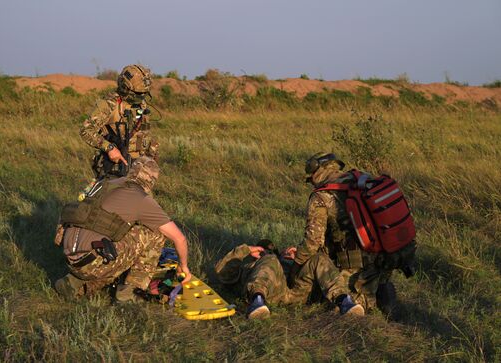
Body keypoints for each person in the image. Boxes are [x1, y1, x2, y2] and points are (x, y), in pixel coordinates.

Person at [53, 157, 191, 302]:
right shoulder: (141, 198)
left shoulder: (104, 184)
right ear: (151, 180)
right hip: (92, 262)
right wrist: (184, 266)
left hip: (70, 256)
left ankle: (74, 282)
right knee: (154, 234)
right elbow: (179, 238)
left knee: (113, 240)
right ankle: (130, 291)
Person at [292, 152, 416, 312]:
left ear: (315, 173)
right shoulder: (362, 180)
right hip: (384, 259)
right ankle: (381, 288)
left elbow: (312, 242)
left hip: (355, 269)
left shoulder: (322, 197)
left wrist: (296, 267)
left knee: (329, 299)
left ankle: (367, 299)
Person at [215, 239, 364, 319]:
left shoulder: (286, 261)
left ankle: (344, 300)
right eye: (263, 250)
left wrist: (300, 258)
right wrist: (246, 250)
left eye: (273, 250)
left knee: (319, 258)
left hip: (297, 292)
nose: (267, 252)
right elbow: (222, 273)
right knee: (270, 260)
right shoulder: (251, 265)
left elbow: (321, 268)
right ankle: (257, 302)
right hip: (272, 293)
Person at [80, 64, 159, 180]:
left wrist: (151, 158)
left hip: (140, 167)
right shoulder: (109, 104)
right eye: (138, 93)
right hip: (115, 167)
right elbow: (86, 130)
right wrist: (109, 148)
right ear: (125, 87)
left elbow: (143, 134)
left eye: (144, 93)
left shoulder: (141, 104)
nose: (142, 97)